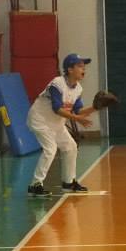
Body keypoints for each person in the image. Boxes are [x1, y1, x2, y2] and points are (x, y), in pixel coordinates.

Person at [26, 53, 101, 196]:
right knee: (50, 149)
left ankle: (68, 182)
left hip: (55, 123)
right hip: (40, 120)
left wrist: (96, 107)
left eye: (84, 66)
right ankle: (35, 185)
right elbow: (57, 108)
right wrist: (77, 119)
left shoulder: (78, 88)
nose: (83, 69)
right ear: (70, 69)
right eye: (79, 66)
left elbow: (78, 110)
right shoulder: (57, 84)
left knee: (71, 147)